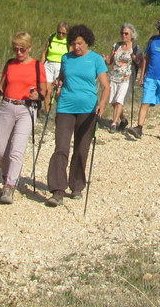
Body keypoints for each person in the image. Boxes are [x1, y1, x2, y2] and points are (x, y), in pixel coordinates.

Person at [46, 24, 109, 206]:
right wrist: (58, 83)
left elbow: (106, 86)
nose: (76, 47)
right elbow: (63, 78)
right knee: (61, 148)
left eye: (80, 43)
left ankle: (76, 186)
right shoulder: (66, 58)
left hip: (88, 110)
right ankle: (57, 189)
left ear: (87, 42)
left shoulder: (96, 59)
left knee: (81, 149)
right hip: (65, 107)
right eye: (73, 44)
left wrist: (102, 104)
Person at [0, 32, 48, 205]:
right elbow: (2, 89)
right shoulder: (10, 64)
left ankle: (10, 186)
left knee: (16, 150)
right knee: (0, 150)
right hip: (7, 106)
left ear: (29, 48)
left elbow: (44, 92)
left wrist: (37, 96)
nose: (19, 53)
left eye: (22, 49)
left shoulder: (37, 66)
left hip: (26, 109)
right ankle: (7, 176)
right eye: (15, 49)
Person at [106, 24, 141, 133]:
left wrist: (135, 58)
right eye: (122, 33)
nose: (123, 35)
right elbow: (110, 61)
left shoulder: (135, 48)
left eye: (126, 33)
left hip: (126, 77)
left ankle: (113, 123)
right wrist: (104, 59)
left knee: (119, 100)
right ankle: (123, 120)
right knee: (112, 100)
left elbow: (140, 62)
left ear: (132, 35)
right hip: (114, 76)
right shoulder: (116, 46)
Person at [39, 23, 69, 113]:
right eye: (59, 32)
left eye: (63, 33)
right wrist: (40, 66)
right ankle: (47, 112)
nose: (60, 35)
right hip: (48, 65)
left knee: (58, 92)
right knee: (47, 90)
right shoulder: (52, 38)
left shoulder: (69, 41)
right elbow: (45, 53)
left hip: (61, 66)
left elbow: (70, 57)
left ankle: (60, 112)